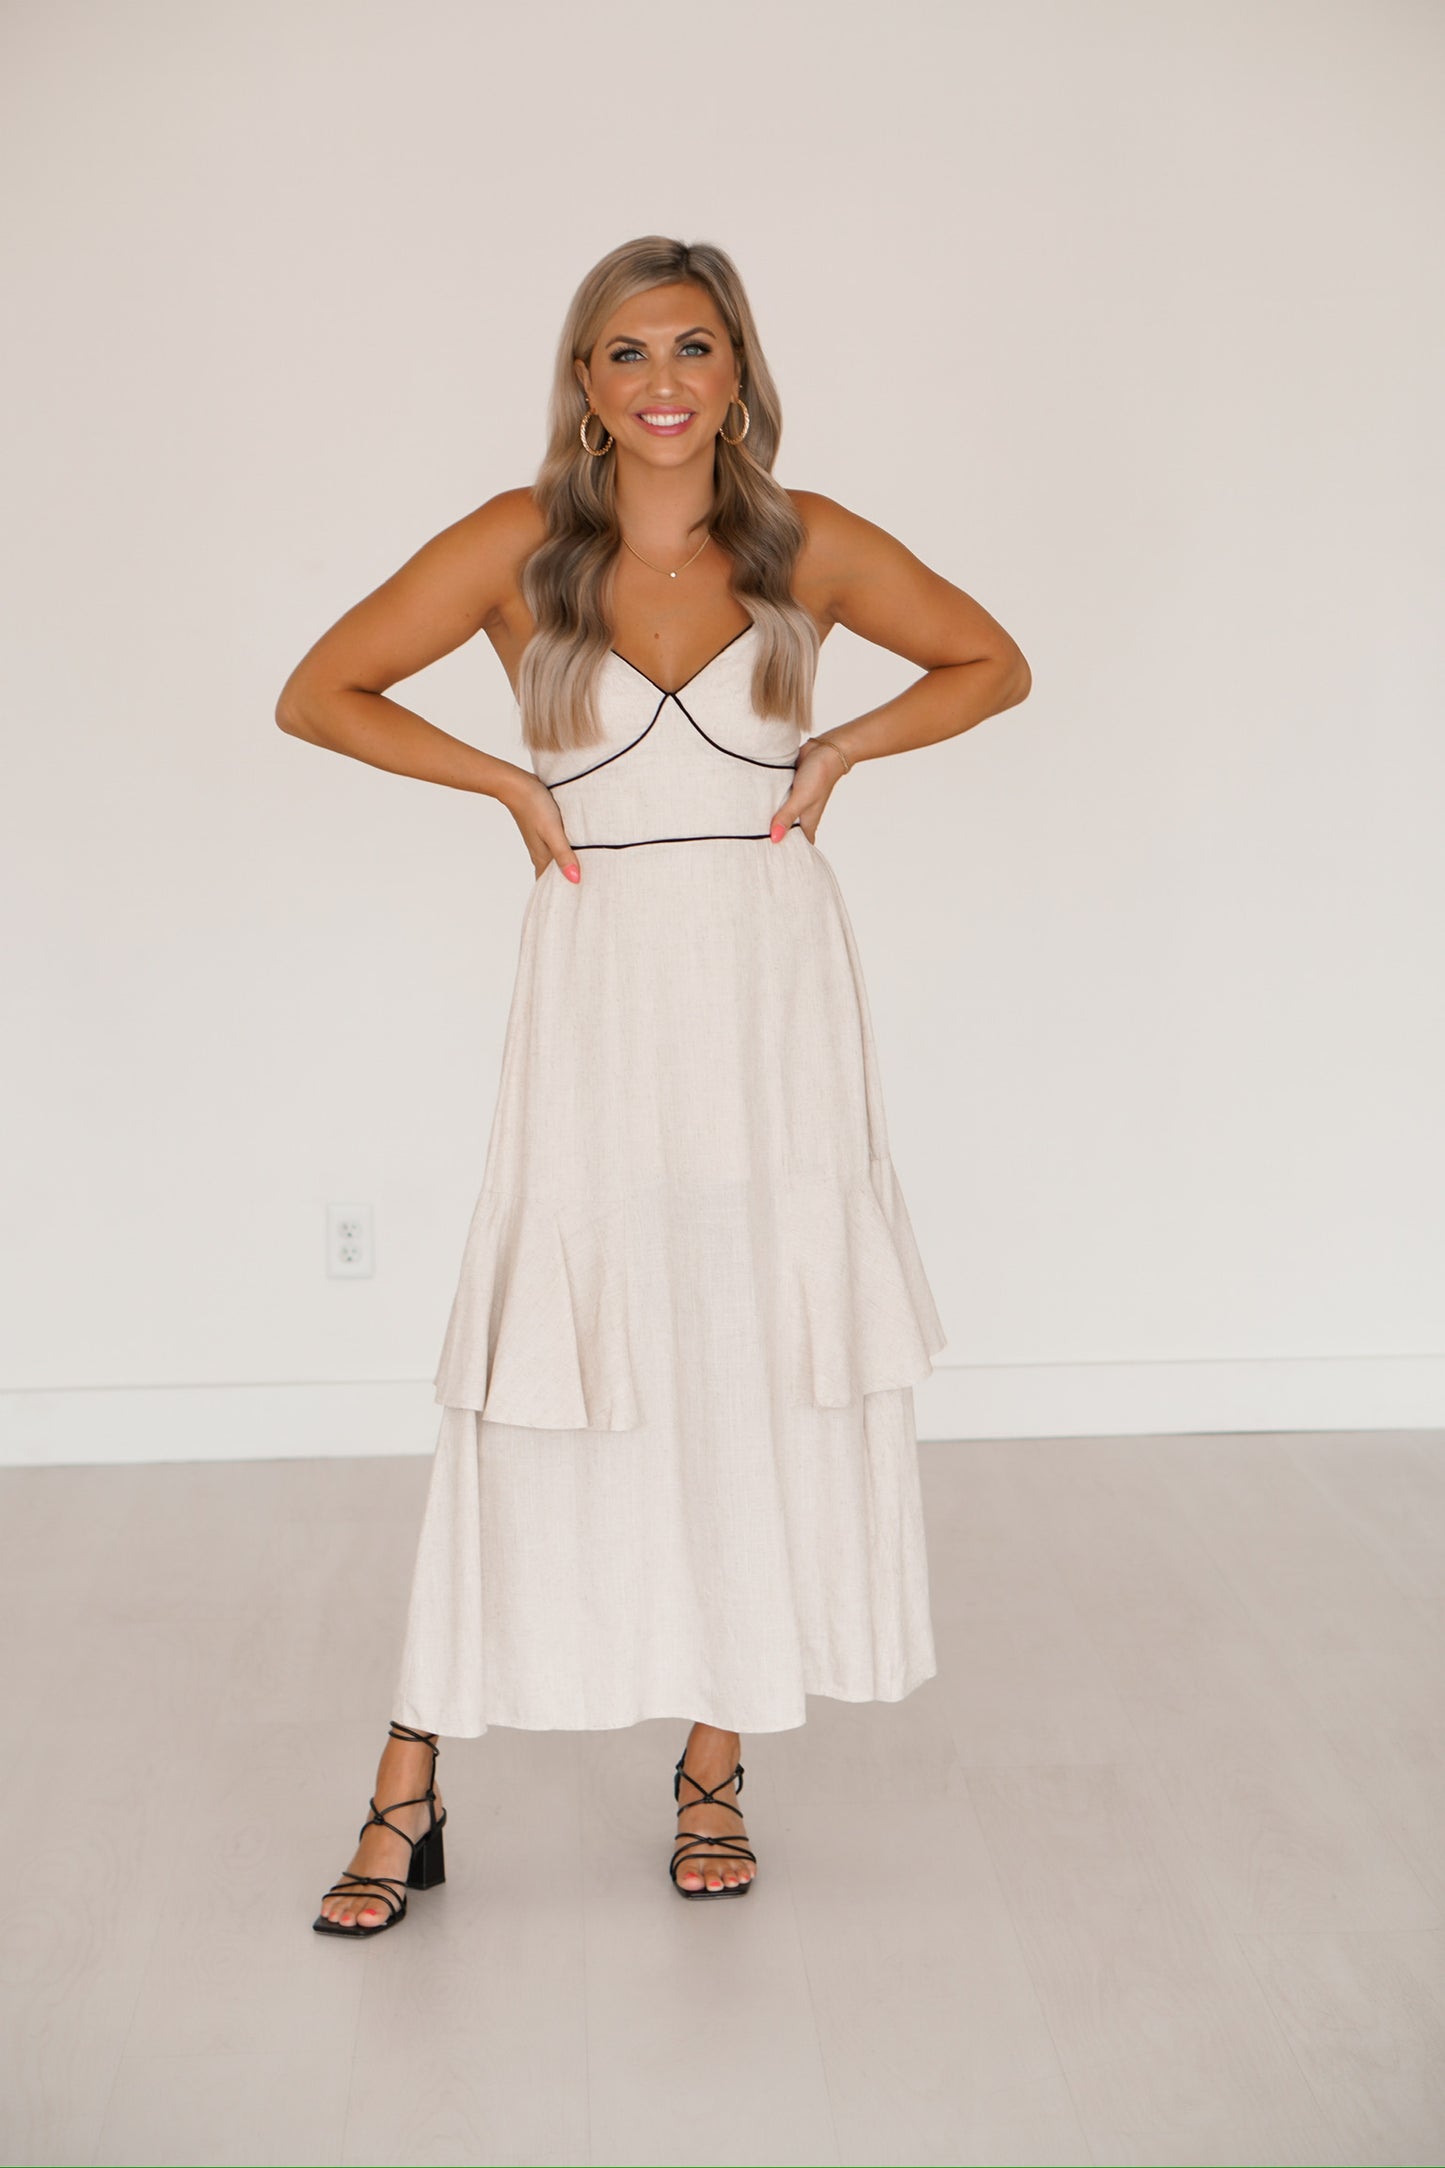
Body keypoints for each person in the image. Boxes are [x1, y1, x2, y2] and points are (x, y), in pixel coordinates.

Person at [276, 235, 1031, 1929]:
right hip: (599, 980)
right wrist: (499, 784)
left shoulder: (803, 542)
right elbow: (316, 693)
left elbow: (992, 660)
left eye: (694, 347)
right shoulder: (518, 545)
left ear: (739, 372)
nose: (664, 381)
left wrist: (840, 744)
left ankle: (714, 1770)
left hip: (769, 994)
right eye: (627, 353)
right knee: (536, 1362)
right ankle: (408, 1782)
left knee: (743, 1342)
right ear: (585, 382)